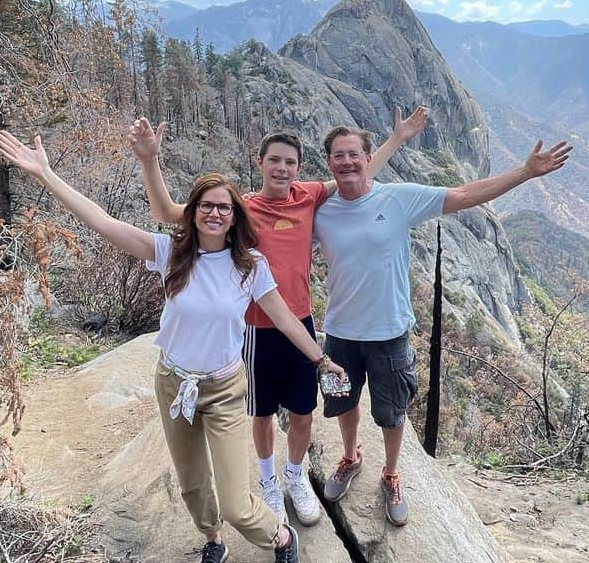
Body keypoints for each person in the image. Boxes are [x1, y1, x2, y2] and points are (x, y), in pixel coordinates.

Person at [0, 130, 346, 563]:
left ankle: (281, 539)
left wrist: (321, 359)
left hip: (222, 389)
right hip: (174, 383)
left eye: (225, 207)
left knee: (240, 504)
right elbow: (102, 222)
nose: (216, 213)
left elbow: (284, 318)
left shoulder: (250, 266)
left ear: (235, 216)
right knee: (195, 486)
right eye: (207, 206)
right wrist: (47, 174)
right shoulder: (170, 254)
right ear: (194, 212)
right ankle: (212, 542)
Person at [129, 108, 428, 526]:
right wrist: (149, 160)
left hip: (300, 322)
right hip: (256, 327)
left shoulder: (308, 196)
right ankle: (268, 479)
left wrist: (395, 140)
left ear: (299, 168)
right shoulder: (242, 209)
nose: (282, 168)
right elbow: (168, 213)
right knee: (263, 411)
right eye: (274, 161)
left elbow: (355, 174)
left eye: (290, 162)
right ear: (260, 164)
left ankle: (294, 474)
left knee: (304, 411)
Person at [316, 127, 572, 527]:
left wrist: (523, 172)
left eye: (354, 154)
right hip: (341, 332)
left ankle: (391, 474)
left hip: (389, 332)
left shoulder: (396, 198)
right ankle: (351, 457)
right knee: (342, 403)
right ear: (328, 162)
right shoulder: (321, 207)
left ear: (368, 157)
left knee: (392, 410)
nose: (347, 162)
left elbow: (464, 195)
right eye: (338, 156)